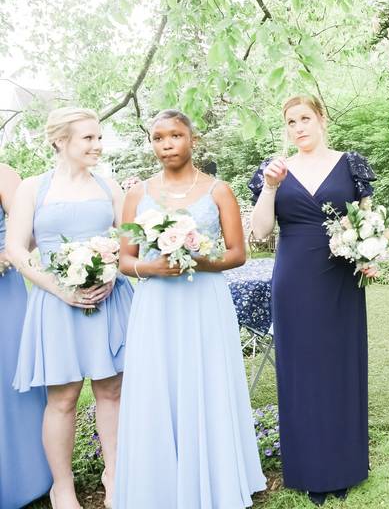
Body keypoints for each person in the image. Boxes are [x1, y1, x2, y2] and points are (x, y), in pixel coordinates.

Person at [113, 110, 266, 508]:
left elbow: (237, 254)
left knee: (207, 379)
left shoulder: (218, 190)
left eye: (175, 136)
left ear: (192, 139)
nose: (167, 144)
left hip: (204, 301)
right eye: (158, 138)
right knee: (157, 384)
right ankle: (160, 486)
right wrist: (150, 266)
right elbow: (125, 260)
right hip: (156, 304)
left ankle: (215, 481)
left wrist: (195, 258)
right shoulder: (137, 194)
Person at [249, 95, 375, 504]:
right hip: (294, 279)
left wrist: (370, 253)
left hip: (340, 278)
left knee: (340, 366)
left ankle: (344, 466)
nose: (298, 127)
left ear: (321, 119)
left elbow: (367, 219)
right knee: (300, 370)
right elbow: (261, 232)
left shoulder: (349, 163)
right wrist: (269, 188)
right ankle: (306, 469)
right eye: (291, 122)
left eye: (305, 118)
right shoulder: (276, 170)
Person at [6, 108, 133, 509]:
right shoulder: (32, 188)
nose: (98, 145)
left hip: (109, 300)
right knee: (62, 397)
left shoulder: (110, 186)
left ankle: (114, 475)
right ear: (61, 141)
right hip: (56, 304)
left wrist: (112, 271)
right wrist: (58, 288)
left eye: (99, 137)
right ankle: (62, 488)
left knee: (111, 391)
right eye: (88, 138)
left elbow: (130, 240)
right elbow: (15, 249)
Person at [0, 163, 52, 509]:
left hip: (3, 292)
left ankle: (23, 478)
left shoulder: (2, 172)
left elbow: (28, 231)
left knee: (8, 379)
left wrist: (6, 254)